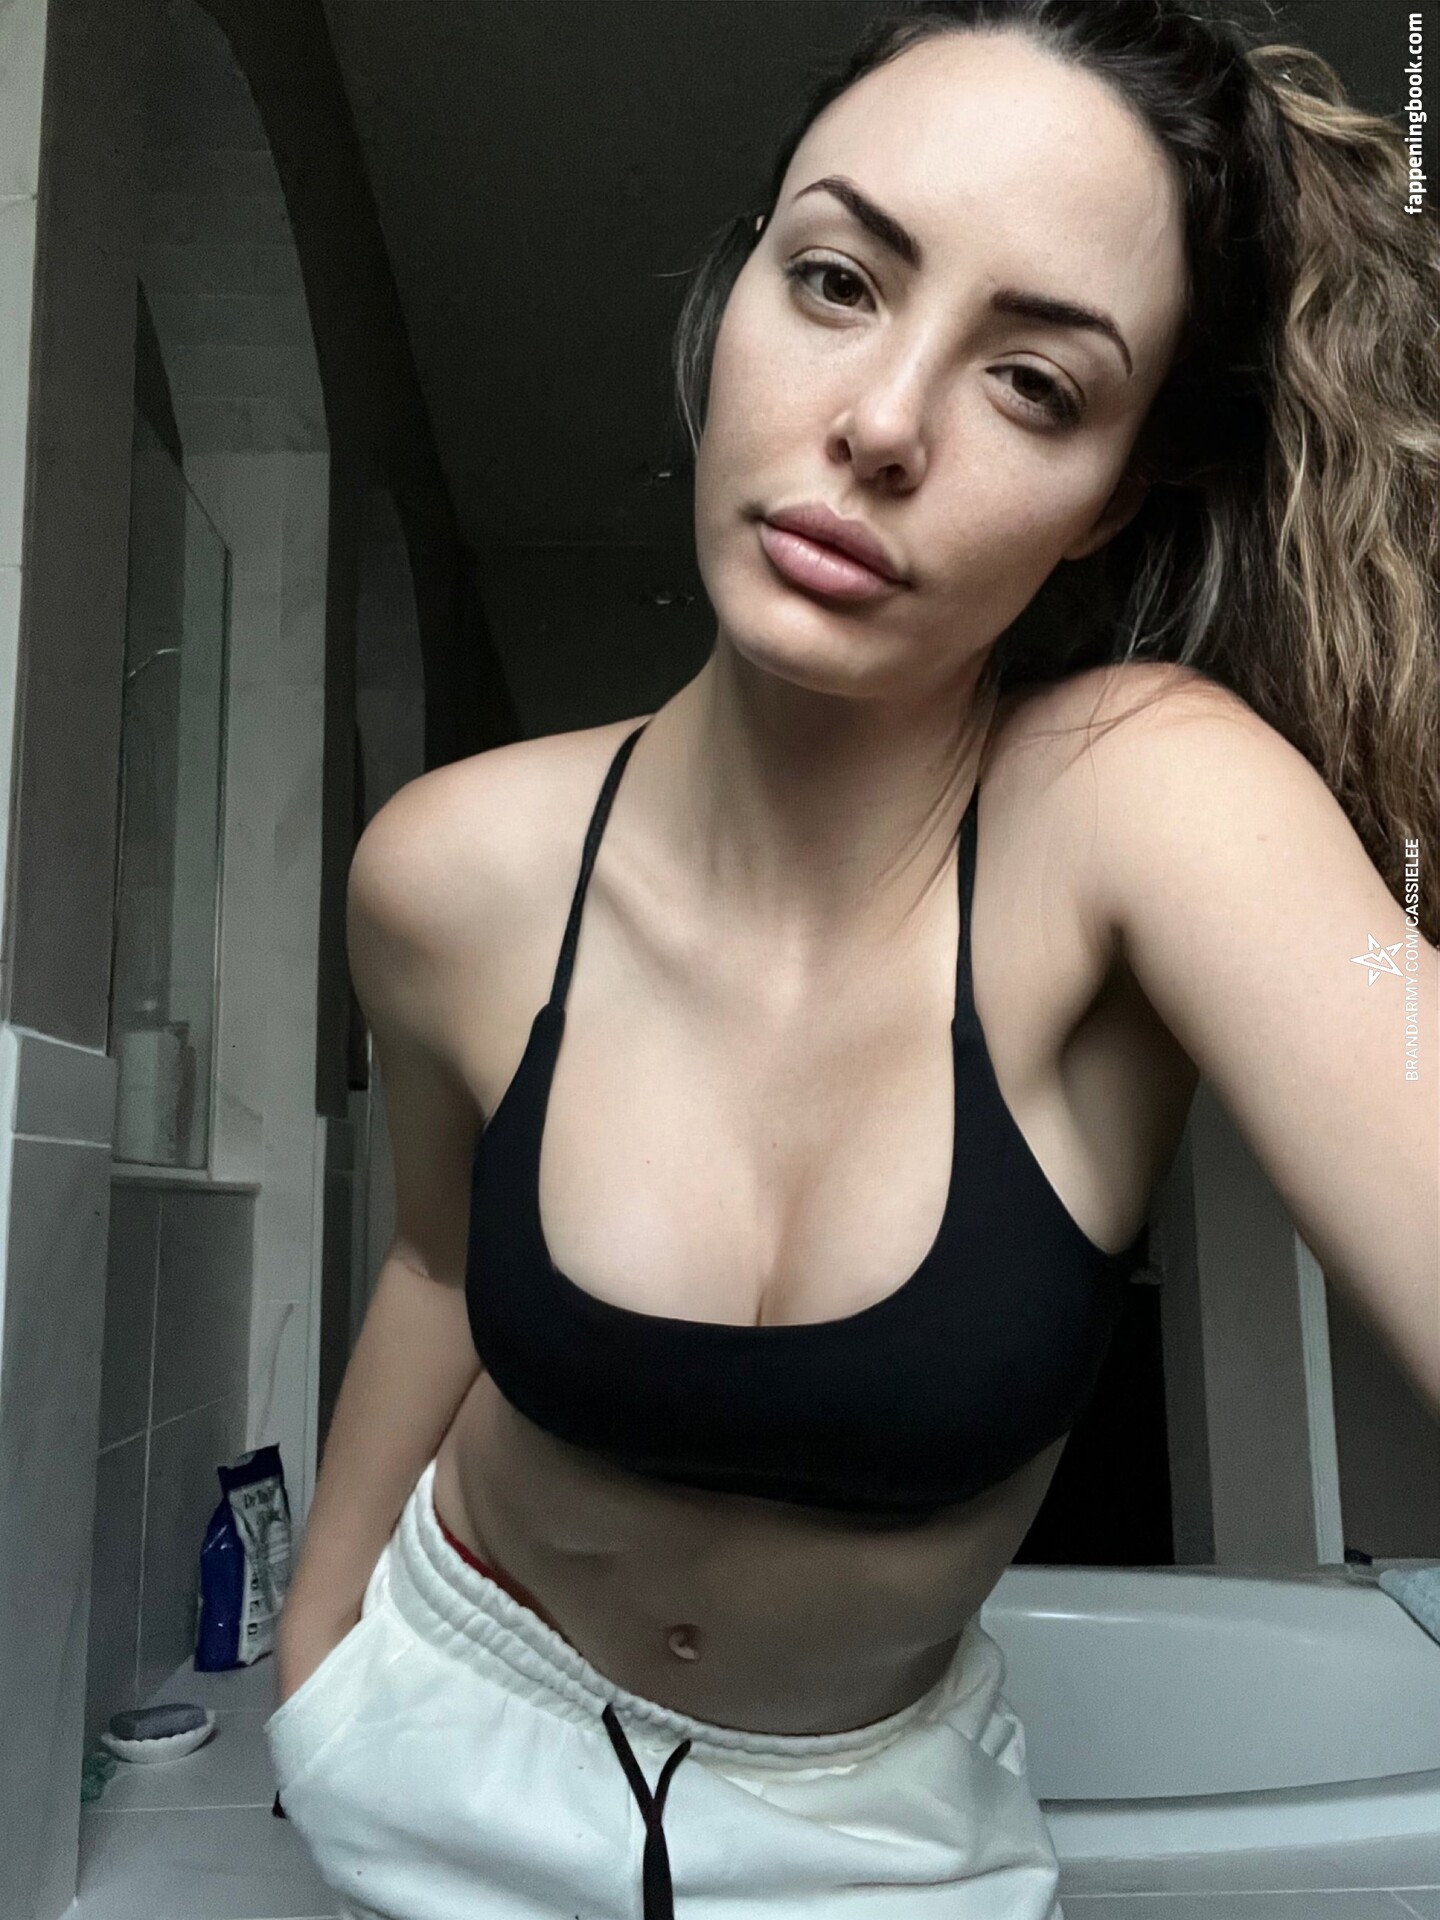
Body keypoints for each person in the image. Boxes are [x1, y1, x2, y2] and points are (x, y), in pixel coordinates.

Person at [266, 2, 1438, 1915]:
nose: (884, 425)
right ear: (736, 296)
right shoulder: (450, 870)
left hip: (874, 1837)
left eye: (1035, 384)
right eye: (836, 280)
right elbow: (435, 1260)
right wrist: (320, 1660)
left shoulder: (1148, 801)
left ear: (1111, 496)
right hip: (436, 1731)